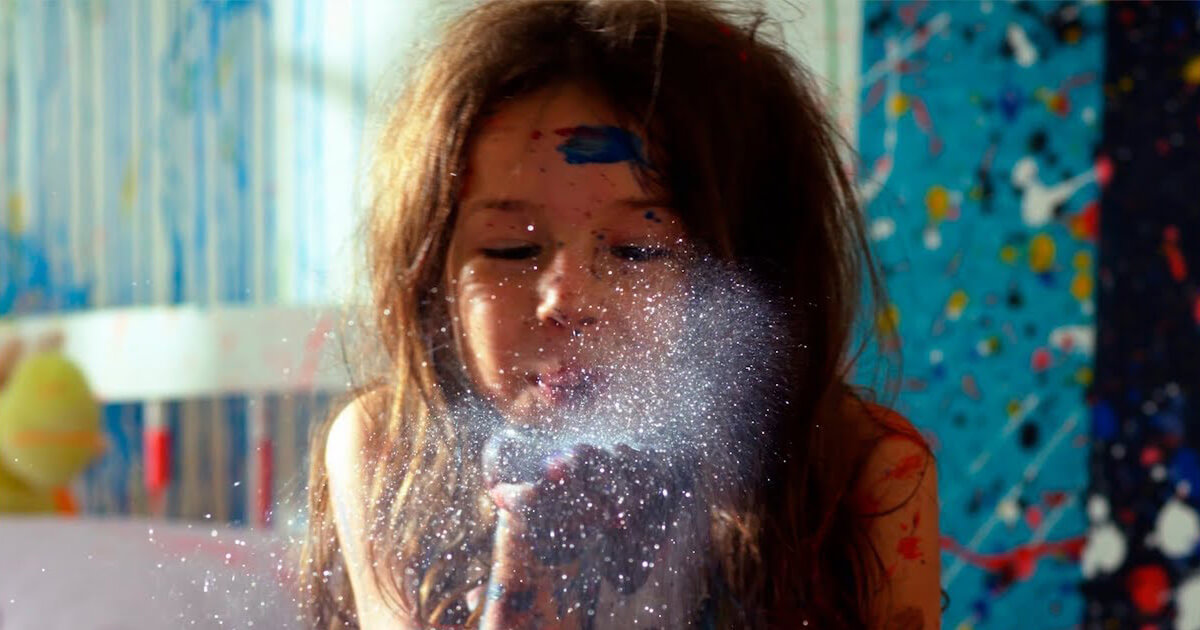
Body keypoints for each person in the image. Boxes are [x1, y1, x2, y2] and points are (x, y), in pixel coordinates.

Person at [302, 1, 940, 628]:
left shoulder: (861, 471)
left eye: (637, 251)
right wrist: (528, 558)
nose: (566, 300)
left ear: (753, 280)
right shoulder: (389, 453)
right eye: (511, 249)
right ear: (431, 281)